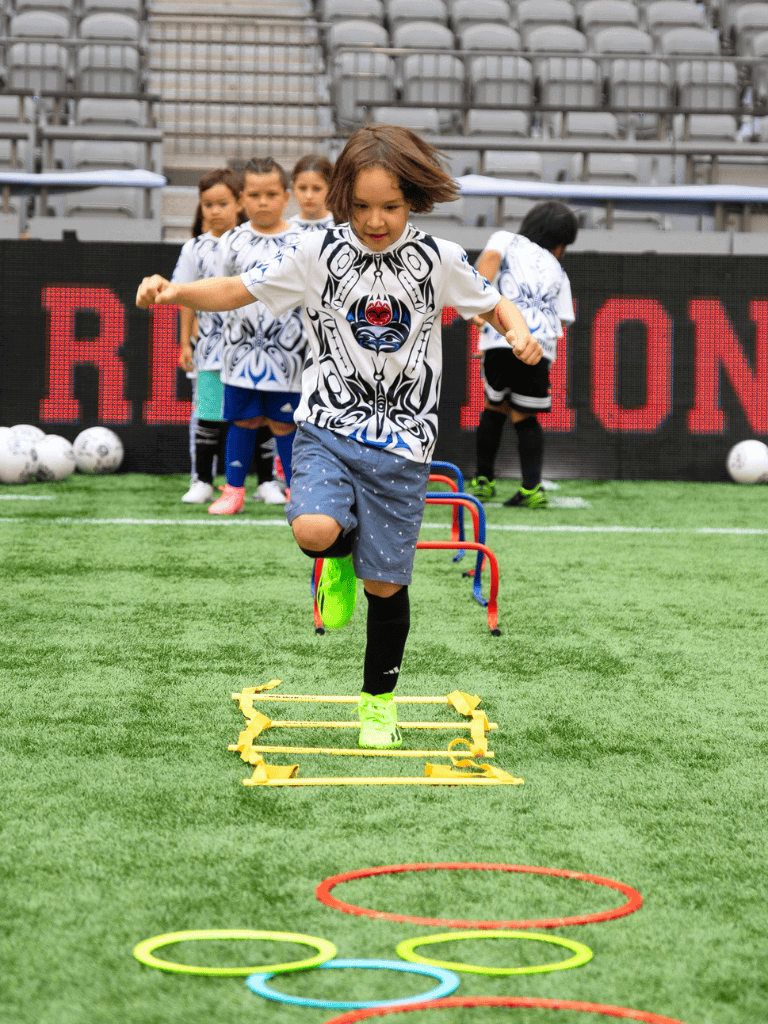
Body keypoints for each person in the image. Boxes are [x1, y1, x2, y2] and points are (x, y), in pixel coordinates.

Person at [136, 124, 541, 748]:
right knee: (314, 529)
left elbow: (494, 303)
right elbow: (237, 290)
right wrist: (174, 292)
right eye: (363, 206)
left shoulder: (437, 259)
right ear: (342, 197)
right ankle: (335, 561)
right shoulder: (314, 253)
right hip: (325, 427)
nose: (376, 220)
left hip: (404, 445)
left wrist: (517, 332)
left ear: (413, 202)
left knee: (388, 586)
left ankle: (378, 704)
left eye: (392, 207)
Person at [207, 157, 306, 514]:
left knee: (285, 422)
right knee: (243, 420)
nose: (263, 202)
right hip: (240, 351)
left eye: (271, 194)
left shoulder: (303, 240)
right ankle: (233, 491)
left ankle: (299, 491)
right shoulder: (231, 241)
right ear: (242, 198)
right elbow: (218, 290)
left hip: (290, 352)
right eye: (254, 194)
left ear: (286, 196)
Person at [468, 200, 577, 508]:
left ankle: (483, 481)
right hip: (536, 348)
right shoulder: (557, 268)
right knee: (526, 416)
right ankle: (532, 489)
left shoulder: (505, 238)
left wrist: (479, 300)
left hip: (501, 338)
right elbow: (563, 318)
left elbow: (489, 259)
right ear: (560, 244)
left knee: (494, 406)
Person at [172, 168, 245, 503]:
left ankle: (260, 483)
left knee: (251, 418)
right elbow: (184, 295)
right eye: (207, 204)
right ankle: (201, 479)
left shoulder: (251, 243)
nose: (214, 210)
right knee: (209, 412)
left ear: (238, 204)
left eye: (222, 203)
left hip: (250, 351)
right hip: (211, 350)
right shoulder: (194, 249)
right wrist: (185, 340)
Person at [288, 153, 335, 232]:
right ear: (293, 187)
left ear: (330, 188)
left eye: (317, 189)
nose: (309, 196)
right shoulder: (285, 231)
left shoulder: (342, 230)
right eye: (302, 188)